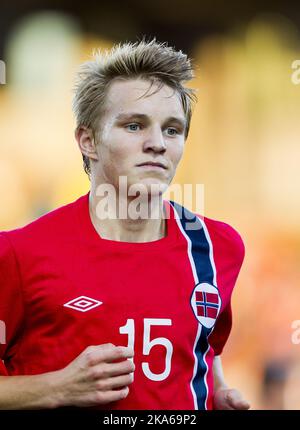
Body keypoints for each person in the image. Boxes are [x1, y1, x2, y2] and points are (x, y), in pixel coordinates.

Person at [0, 39, 250, 410]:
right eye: (134, 126)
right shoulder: (19, 254)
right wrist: (55, 388)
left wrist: (219, 393)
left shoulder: (218, 248)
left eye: (171, 129)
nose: (157, 144)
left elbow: (203, 348)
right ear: (88, 141)